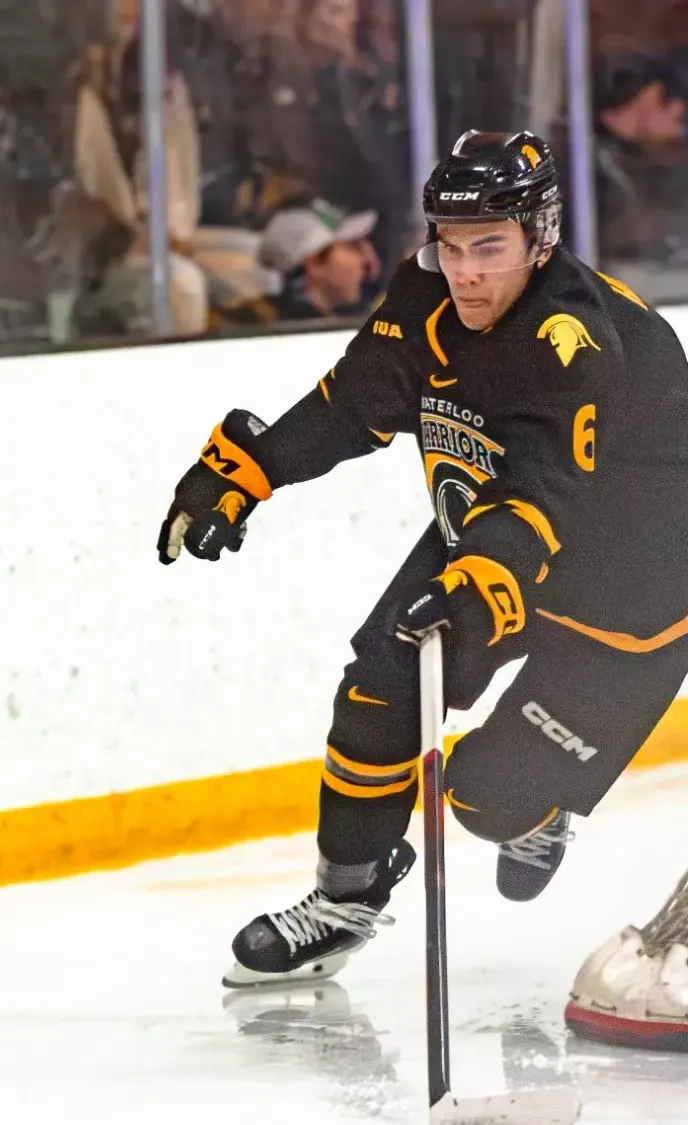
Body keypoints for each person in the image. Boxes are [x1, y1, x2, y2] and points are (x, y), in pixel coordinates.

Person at [155, 130, 688, 990]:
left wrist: (485, 577)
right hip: (497, 531)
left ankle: (534, 806)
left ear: (540, 238)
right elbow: (351, 404)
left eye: (490, 247)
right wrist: (246, 471)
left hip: (633, 584)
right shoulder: (427, 291)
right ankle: (343, 903)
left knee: (484, 798)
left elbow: (541, 490)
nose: (465, 269)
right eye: (450, 242)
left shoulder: (569, 339)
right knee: (380, 680)